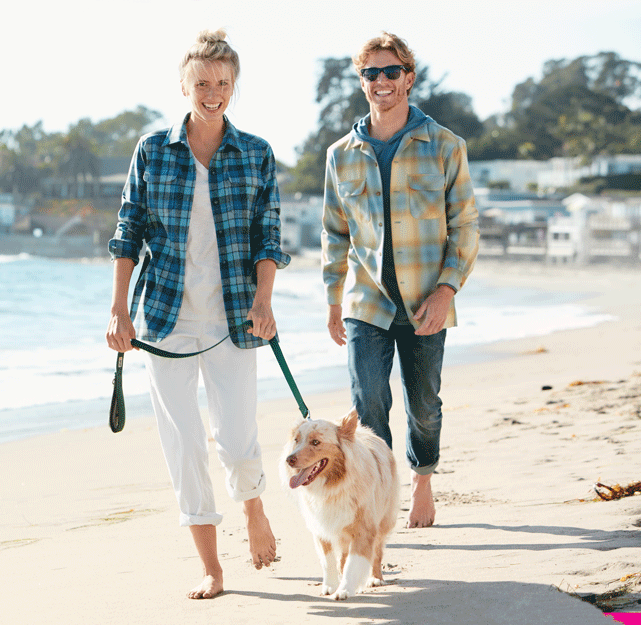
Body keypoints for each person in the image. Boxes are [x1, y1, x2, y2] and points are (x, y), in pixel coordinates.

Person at [106, 28, 290, 599]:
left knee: (236, 437)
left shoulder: (255, 152)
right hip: (163, 320)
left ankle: (255, 511)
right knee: (183, 445)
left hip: (235, 319)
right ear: (184, 85)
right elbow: (128, 232)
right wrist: (118, 310)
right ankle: (212, 567)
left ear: (234, 86)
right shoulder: (152, 150)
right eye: (203, 83)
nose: (213, 93)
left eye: (223, 83)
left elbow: (269, 234)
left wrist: (265, 300)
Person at [321, 32, 479, 529]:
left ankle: (423, 480)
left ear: (409, 78)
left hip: (426, 299)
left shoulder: (446, 146)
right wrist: (331, 301)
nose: (382, 81)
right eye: (371, 73)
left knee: (424, 404)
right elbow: (334, 232)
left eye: (391, 72)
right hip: (365, 300)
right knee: (369, 405)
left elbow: (467, 226)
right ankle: (378, 500)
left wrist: (446, 288)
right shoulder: (340, 154)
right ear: (361, 81)